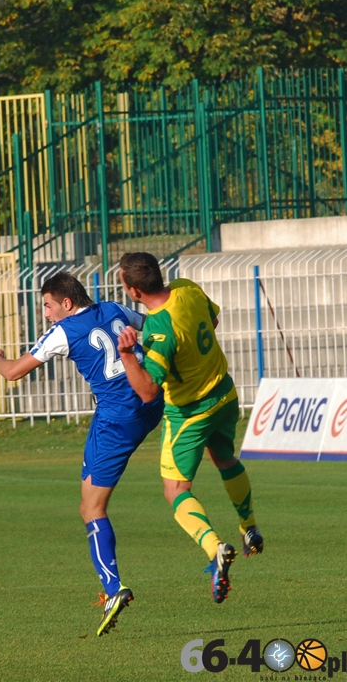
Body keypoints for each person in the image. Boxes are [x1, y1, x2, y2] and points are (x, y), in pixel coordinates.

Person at [0, 271, 163, 635]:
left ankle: (113, 589)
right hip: (152, 401)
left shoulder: (62, 331)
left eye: (48, 306)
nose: (46, 314)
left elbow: (15, 373)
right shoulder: (114, 307)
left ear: (66, 302)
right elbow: (153, 322)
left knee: (90, 508)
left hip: (117, 419)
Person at [116, 252, 263, 605]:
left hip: (190, 413)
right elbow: (212, 321)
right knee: (225, 458)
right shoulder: (187, 288)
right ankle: (249, 527)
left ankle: (215, 549)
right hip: (224, 394)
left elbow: (149, 390)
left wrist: (127, 353)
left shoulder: (158, 329)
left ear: (134, 291)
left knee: (176, 489)